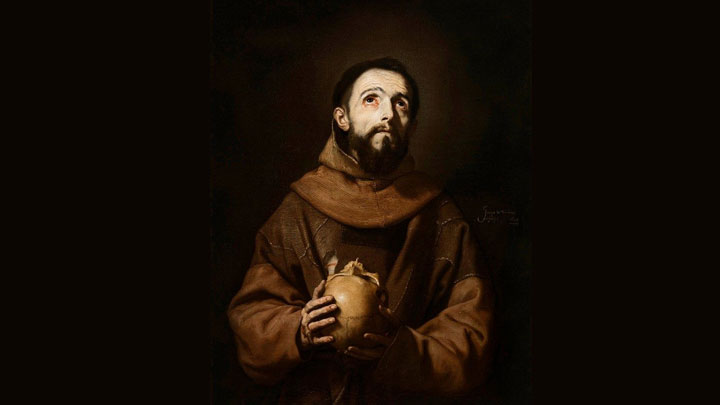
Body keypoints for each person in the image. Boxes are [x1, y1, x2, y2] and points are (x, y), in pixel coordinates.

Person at [227, 57, 495, 403]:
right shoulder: (298, 210)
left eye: (401, 104)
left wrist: (402, 350)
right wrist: (299, 330)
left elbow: (474, 335)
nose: (388, 114)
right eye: (372, 99)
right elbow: (251, 317)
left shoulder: (440, 216)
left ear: (412, 125)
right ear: (342, 118)